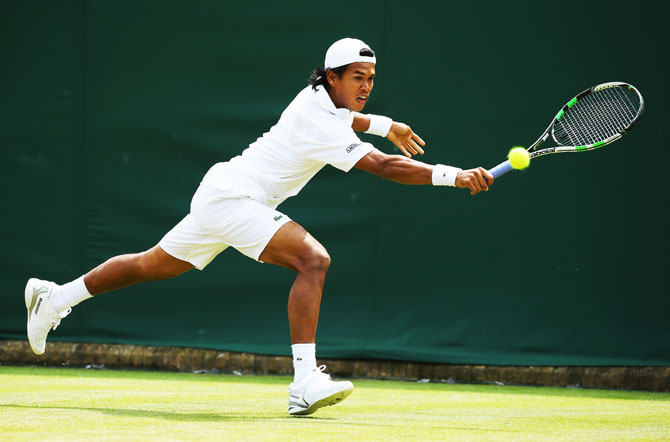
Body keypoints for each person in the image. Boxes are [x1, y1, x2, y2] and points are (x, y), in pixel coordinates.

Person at [25, 38, 493, 416]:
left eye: (371, 78)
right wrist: (455, 176)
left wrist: (386, 123)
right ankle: (304, 381)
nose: (366, 85)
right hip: (234, 198)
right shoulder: (321, 120)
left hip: (224, 194)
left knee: (152, 265)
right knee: (313, 259)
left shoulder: (322, 100)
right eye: (357, 78)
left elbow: (353, 116)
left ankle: (56, 297)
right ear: (331, 77)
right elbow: (386, 168)